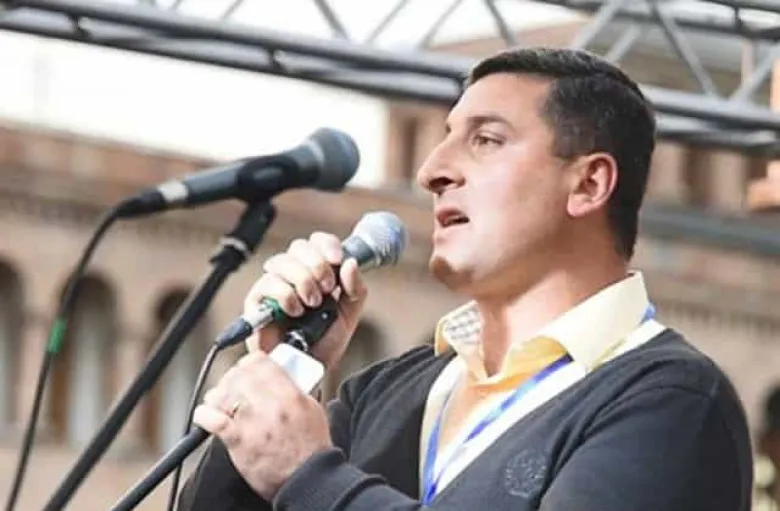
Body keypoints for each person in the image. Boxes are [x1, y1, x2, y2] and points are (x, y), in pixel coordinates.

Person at [176, 47, 753, 511]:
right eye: (444, 137)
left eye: (486, 140)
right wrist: (282, 370)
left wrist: (311, 479)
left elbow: (311, 485)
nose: (432, 171)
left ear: (588, 184)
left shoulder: (672, 401)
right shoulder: (383, 394)